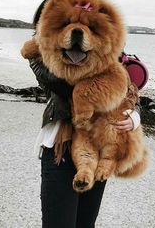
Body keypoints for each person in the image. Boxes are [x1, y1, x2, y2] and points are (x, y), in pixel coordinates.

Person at [29, 57, 141, 228]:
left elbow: (129, 90)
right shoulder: (43, 52)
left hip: (99, 147)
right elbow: (63, 84)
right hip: (61, 147)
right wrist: (107, 78)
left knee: (86, 224)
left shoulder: (109, 48)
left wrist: (135, 116)